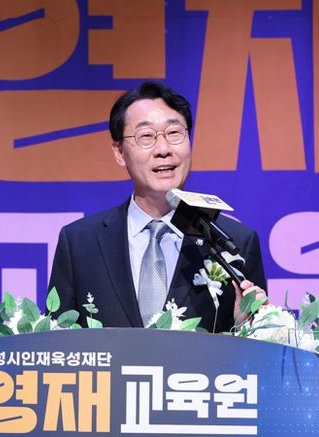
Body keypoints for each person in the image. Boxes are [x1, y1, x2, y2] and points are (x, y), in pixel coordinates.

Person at [48, 81, 267, 333]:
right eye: (146, 136)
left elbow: (257, 348)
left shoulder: (234, 242)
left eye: (174, 133)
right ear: (119, 152)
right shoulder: (79, 243)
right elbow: (56, 344)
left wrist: (243, 325)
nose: (163, 149)